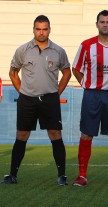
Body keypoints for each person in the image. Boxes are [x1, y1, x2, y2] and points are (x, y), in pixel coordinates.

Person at [1, 15, 71, 185]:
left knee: (55, 134)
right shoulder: (22, 50)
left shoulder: (58, 51)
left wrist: (56, 94)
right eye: (38, 29)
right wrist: (23, 91)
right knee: (22, 134)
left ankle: (62, 176)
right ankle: (13, 175)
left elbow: (67, 73)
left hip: (49, 100)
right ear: (33, 30)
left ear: (49, 30)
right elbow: (13, 73)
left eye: (45, 29)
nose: (41, 32)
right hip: (27, 100)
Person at [72, 10, 108, 187]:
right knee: (86, 134)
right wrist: (85, 82)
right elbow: (76, 68)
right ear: (97, 24)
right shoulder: (86, 45)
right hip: (91, 95)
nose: (105, 24)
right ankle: (82, 176)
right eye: (102, 22)